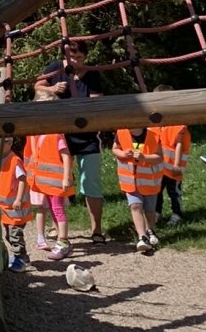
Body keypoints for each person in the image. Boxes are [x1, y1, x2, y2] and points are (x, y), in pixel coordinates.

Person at [34, 38, 107, 243]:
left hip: (87, 136)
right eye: (71, 57)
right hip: (60, 136)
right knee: (56, 183)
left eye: (79, 57)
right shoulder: (56, 67)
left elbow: (97, 100)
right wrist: (52, 89)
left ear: (85, 57)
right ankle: (56, 227)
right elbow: (38, 86)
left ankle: (97, 230)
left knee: (90, 182)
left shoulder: (91, 74)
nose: (75, 61)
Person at [24, 97, 74, 259]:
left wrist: (66, 178)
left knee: (58, 210)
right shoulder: (41, 135)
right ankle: (63, 242)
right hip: (48, 184)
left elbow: (66, 156)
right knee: (53, 211)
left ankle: (63, 242)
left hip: (57, 183)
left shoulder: (56, 135)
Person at [113, 127, 163, 254]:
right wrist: (123, 154)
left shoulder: (154, 134)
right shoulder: (121, 132)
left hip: (149, 181)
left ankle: (150, 231)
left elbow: (159, 157)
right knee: (135, 206)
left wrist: (144, 157)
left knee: (150, 210)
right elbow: (115, 149)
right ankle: (142, 237)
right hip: (130, 180)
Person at [152, 84, 190, 225]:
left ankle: (177, 214)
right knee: (157, 191)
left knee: (174, 191)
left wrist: (177, 164)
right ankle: (156, 213)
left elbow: (179, 144)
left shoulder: (177, 123)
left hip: (173, 166)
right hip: (159, 166)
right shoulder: (155, 122)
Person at [0, 136, 32, 271]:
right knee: (8, 235)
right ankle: (21, 257)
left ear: (10, 143)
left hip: (17, 209)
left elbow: (22, 179)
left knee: (15, 235)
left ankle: (21, 259)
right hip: (6, 209)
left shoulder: (15, 160)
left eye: (2, 142)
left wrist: (18, 199)